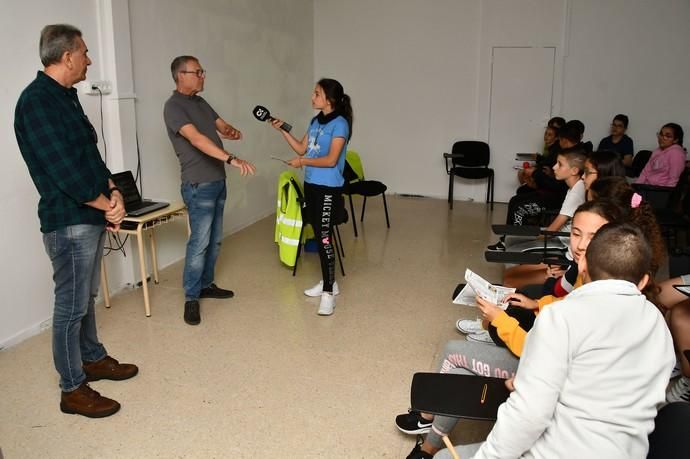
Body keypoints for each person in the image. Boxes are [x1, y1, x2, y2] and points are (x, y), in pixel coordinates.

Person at [436, 223, 675, 458]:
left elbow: (529, 415)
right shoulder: (658, 324)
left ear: (582, 264)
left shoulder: (562, 317)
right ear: (643, 281)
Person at [14, 24, 138, 418]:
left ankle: (92, 358)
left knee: (84, 298)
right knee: (70, 306)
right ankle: (72, 388)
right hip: (68, 221)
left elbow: (89, 158)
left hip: (89, 213)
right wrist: (106, 204)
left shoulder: (66, 98)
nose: (89, 59)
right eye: (84, 52)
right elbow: (65, 173)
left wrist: (115, 194)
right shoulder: (37, 102)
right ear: (67, 56)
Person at [163, 55, 256, 325]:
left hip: (217, 180)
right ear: (181, 75)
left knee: (215, 240)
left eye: (203, 71)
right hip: (198, 184)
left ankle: (207, 284)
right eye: (198, 72)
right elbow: (197, 139)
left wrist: (231, 131)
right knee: (200, 242)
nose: (203, 76)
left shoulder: (200, 102)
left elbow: (220, 127)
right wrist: (231, 158)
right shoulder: (174, 107)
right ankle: (191, 297)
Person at [271, 78, 353, 316]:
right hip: (312, 185)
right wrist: (282, 131)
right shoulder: (315, 121)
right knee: (318, 233)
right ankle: (331, 282)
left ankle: (328, 293)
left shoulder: (340, 125)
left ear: (330, 98)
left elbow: (330, 160)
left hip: (329, 188)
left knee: (325, 237)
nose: (312, 97)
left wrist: (302, 162)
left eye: (317, 93)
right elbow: (300, 148)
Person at [636, 123, 686, 187]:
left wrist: (663, 196)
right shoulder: (658, 150)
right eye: (661, 134)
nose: (662, 138)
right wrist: (636, 187)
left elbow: (673, 180)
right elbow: (645, 172)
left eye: (668, 136)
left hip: (659, 191)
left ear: (676, 140)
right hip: (646, 187)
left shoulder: (676, 154)